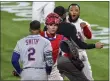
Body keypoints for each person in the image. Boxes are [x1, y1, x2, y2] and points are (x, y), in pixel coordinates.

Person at [66, 3, 93, 80]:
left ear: (79, 13)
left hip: (80, 53)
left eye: (76, 10)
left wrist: (85, 28)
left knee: (88, 78)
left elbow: (89, 36)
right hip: (66, 54)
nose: (74, 12)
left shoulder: (84, 23)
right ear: (68, 12)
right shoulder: (63, 22)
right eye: (71, 10)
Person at [40, 13, 64, 80]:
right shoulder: (39, 36)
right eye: (51, 25)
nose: (53, 27)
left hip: (53, 71)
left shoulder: (61, 38)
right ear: (46, 25)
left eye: (55, 25)